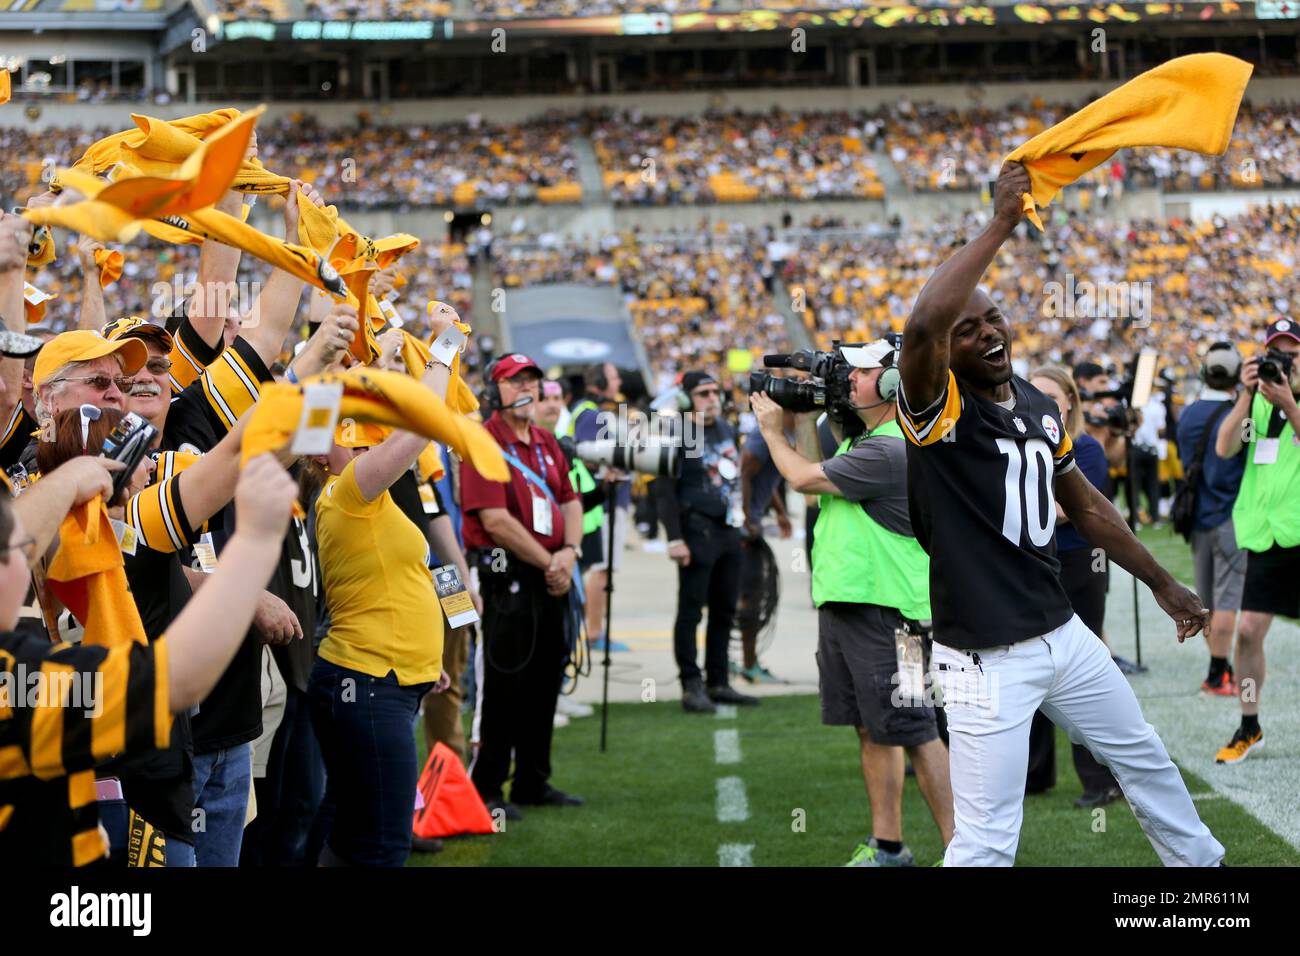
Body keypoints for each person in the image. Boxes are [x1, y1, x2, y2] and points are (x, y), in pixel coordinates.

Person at [897, 159, 1222, 867]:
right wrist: (1003, 221)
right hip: (987, 654)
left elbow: (1087, 505)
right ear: (945, 353)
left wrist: (1161, 582)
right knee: (986, 839)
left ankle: (1204, 875)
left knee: (1146, 761)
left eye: (994, 319)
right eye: (968, 328)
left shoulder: (1041, 406)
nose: (986, 333)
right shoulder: (941, 410)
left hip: (1061, 632)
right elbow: (922, 324)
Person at [0, 452, 298, 865]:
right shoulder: (25, 678)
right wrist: (255, 544)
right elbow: (176, 679)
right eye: (23, 549)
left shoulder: (17, 674)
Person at [752, 338, 953, 867]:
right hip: (852, 606)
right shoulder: (865, 441)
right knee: (872, 726)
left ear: (891, 384)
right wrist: (801, 415)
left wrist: (773, 431)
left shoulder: (889, 448)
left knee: (916, 729)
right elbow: (820, 489)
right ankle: (889, 845)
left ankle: (964, 851)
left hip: (894, 616)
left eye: (859, 374)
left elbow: (801, 478)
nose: (847, 382)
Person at [306, 324, 458, 866]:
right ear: (324, 450)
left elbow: (404, 579)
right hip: (368, 681)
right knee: (382, 843)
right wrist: (443, 350)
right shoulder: (348, 492)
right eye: (353, 434)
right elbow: (419, 425)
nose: (368, 439)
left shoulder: (369, 499)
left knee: (349, 828)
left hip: (386, 679)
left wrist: (425, 663)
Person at [460, 352, 585, 818]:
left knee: (546, 680)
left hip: (550, 574)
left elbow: (570, 499)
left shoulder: (547, 443)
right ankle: (487, 787)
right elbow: (494, 520)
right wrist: (549, 560)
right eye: (515, 382)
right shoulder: (482, 441)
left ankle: (533, 780)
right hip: (506, 574)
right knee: (503, 683)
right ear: (495, 391)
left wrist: (568, 554)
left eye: (532, 379)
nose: (526, 388)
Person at [1028, 366, 1122, 809]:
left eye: (1051, 395)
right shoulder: (1023, 446)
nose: (1042, 402)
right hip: (1038, 564)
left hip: (1081, 563)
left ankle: (1101, 778)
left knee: (1080, 669)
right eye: (1034, 394)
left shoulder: (1085, 448)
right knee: (1034, 665)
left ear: (1068, 402)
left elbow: (1068, 510)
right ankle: (1035, 773)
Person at [1211, 318, 1300, 764]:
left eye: (1292, 354)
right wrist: (1246, 394)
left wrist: (1289, 399)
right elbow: (1225, 447)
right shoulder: (1258, 401)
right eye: (1275, 354)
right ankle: (1250, 724)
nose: (1283, 362)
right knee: (1247, 632)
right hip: (1267, 534)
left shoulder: (1286, 397)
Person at [655, 370, 758, 714]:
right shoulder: (678, 433)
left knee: (725, 610)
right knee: (690, 611)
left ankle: (718, 680)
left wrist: (745, 521)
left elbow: (737, 477)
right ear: (686, 400)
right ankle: (691, 684)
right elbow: (665, 490)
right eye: (703, 393)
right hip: (697, 532)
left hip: (729, 531)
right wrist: (674, 538)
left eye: (715, 392)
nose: (712, 398)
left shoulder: (727, 429)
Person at [1175, 342, 1246, 697]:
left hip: (1198, 518)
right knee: (1228, 601)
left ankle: (1221, 669)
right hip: (1232, 515)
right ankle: (1219, 674)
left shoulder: (1187, 414)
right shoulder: (1241, 413)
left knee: (1206, 602)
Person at [568, 362, 628, 653]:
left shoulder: (586, 411)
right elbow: (593, 457)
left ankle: (592, 631)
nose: (618, 382)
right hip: (599, 502)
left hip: (594, 501)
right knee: (601, 570)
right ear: (602, 381)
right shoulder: (592, 415)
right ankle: (594, 633)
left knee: (599, 569)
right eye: (615, 376)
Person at [736, 408, 794, 683]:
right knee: (751, 596)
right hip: (743, 531)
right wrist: (747, 518)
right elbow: (745, 471)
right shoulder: (765, 434)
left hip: (750, 523)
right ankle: (747, 664)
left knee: (754, 594)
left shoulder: (780, 431)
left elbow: (763, 476)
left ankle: (746, 661)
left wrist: (780, 511)